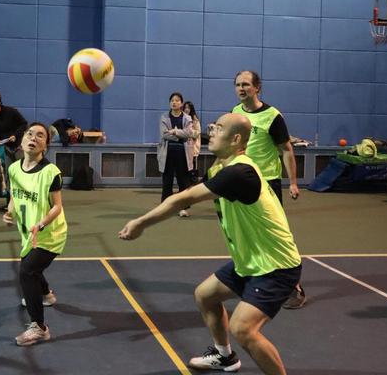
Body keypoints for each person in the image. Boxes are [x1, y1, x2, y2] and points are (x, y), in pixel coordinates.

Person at [120, 113, 302, 375]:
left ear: (236, 139)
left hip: (276, 266)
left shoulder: (240, 172)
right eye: (213, 127)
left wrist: (141, 223)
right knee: (205, 295)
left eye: (219, 128)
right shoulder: (222, 169)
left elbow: (182, 199)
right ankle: (225, 356)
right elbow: (193, 189)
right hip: (250, 260)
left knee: (243, 328)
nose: (212, 132)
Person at [232, 70, 306, 309]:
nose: (241, 88)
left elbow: (287, 149)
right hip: (243, 181)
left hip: (267, 184)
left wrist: (292, 182)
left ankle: (295, 288)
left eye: (246, 84)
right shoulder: (235, 112)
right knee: (247, 232)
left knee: (275, 234)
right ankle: (256, 277)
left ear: (257, 88)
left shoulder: (272, 116)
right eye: (238, 85)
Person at [2, 122, 67, 346]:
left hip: (51, 233)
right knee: (33, 268)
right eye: (30, 134)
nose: (33, 138)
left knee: (27, 271)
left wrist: (41, 224)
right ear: (22, 140)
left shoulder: (51, 173)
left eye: (40, 136)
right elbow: (14, 195)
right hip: (28, 232)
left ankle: (39, 327)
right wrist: (9, 212)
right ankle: (46, 294)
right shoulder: (13, 169)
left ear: (45, 146)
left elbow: (57, 206)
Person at [158, 92, 194, 217]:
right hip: (167, 153)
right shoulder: (164, 117)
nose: (174, 102)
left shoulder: (187, 118)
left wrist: (174, 131)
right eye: (172, 100)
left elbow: (189, 133)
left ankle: (182, 208)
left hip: (183, 154)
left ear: (181, 103)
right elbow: (164, 134)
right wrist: (179, 135)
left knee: (183, 181)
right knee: (167, 181)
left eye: (177, 100)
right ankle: (165, 207)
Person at [183, 101, 202, 184]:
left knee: (192, 168)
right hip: (183, 148)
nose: (186, 109)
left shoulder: (195, 120)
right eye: (185, 108)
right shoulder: (182, 118)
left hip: (192, 148)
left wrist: (189, 132)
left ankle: (193, 184)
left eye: (188, 108)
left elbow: (197, 133)